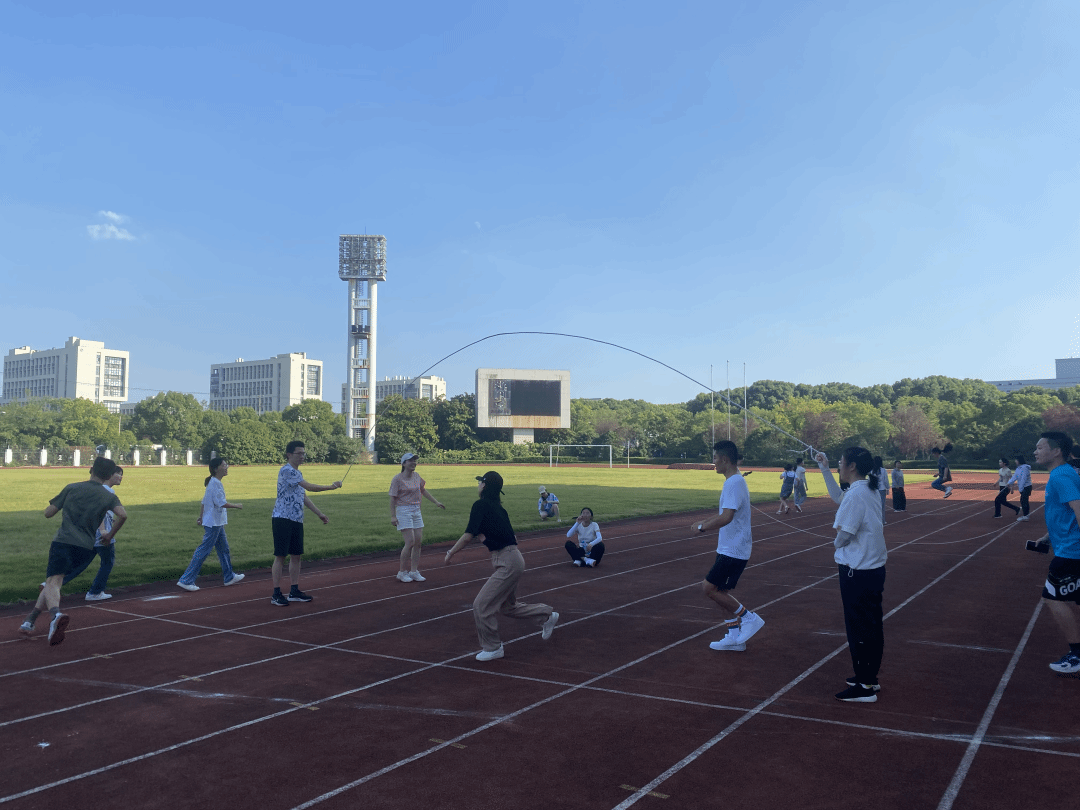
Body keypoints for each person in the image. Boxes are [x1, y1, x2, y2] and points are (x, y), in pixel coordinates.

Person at [444, 471, 559, 661]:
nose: (478, 485)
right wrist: (487, 540)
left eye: (480, 482)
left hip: (507, 562)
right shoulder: (499, 509)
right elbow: (512, 537)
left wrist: (450, 553)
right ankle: (546, 615)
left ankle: (493, 647)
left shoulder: (480, 505)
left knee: (481, 605)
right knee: (507, 607)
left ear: (484, 486)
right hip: (513, 558)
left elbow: (468, 535)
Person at [19, 457, 127, 645]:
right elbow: (123, 515)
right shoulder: (109, 496)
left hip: (63, 541)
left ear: (90, 470)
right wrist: (109, 536)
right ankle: (30, 621)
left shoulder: (72, 488)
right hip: (86, 547)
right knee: (54, 583)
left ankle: (55, 615)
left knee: (53, 581)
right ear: (110, 475)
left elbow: (48, 513)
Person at [814, 448, 887, 703]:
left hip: (857, 571)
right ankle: (869, 677)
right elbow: (838, 497)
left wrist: (835, 543)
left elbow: (844, 535)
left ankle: (865, 686)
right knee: (871, 625)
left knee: (859, 628)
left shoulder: (857, 494)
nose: (839, 466)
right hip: (872, 569)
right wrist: (824, 468)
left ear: (852, 466)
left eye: (841, 462)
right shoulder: (867, 489)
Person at [692, 440, 765, 652]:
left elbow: (726, 517)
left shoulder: (734, 483)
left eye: (715, 458)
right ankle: (734, 636)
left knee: (708, 587)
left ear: (724, 459)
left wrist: (701, 528)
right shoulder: (734, 481)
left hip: (734, 549)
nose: (713, 462)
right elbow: (724, 513)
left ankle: (749, 618)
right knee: (720, 590)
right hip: (729, 547)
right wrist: (703, 522)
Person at [1030, 432, 1080, 674]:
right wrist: (1048, 537)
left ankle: (1077, 655)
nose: (1035, 451)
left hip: (1071, 552)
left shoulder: (1061, 476)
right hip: (1068, 548)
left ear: (1056, 451)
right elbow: (1066, 514)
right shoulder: (1066, 473)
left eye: (1040, 447)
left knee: (1052, 597)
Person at [270, 441, 342, 606]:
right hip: (282, 518)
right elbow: (309, 487)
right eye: (299, 453)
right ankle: (276, 593)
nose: (302, 456)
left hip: (296, 519)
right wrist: (331, 487)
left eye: (303, 453)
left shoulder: (297, 473)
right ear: (289, 455)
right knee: (280, 556)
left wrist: (319, 513)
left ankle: (294, 590)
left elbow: (303, 496)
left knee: (296, 555)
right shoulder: (287, 470)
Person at [177, 458, 245, 591]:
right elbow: (221, 503)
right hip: (214, 523)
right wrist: (237, 505)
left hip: (215, 522)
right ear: (216, 469)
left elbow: (204, 501)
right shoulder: (215, 484)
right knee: (204, 550)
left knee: (223, 549)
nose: (227, 467)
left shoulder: (213, 482)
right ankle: (186, 580)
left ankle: (229, 576)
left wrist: (201, 517)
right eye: (224, 465)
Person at [61, 466, 124, 601]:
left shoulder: (95, 489)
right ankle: (95, 592)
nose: (121, 477)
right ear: (109, 475)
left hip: (89, 533)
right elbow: (98, 512)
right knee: (107, 562)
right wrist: (103, 530)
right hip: (102, 535)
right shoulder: (107, 491)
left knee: (80, 564)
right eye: (118, 474)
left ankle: (51, 584)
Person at [389, 452, 445, 583]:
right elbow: (392, 498)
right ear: (403, 464)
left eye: (415, 460)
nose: (413, 463)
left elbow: (423, 490)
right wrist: (393, 516)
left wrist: (436, 502)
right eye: (410, 461)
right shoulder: (397, 479)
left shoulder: (417, 476)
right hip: (403, 510)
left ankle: (414, 571)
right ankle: (402, 572)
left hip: (416, 510)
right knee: (410, 542)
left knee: (418, 542)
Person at [1006, 454, 1033, 522]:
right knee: (1023, 500)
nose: (1015, 461)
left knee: (1024, 501)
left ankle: (1026, 516)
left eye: (1016, 460)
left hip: (1026, 487)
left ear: (1019, 460)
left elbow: (1023, 479)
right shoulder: (1018, 468)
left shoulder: (1025, 468)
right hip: (1023, 487)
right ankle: (1026, 514)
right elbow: (1015, 476)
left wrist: (1021, 488)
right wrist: (1009, 483)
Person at [874, 456, 890, 526]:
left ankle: (875, 520)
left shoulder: (872, 470)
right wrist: (887, 488)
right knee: (882, 506)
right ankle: (882, 520)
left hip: (874, 489)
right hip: (881, 489)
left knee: (874, 505)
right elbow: (885, 480)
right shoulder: (883, 470)